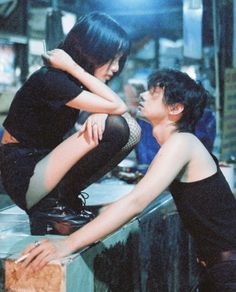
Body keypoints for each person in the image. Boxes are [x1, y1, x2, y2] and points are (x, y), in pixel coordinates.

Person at [20, 68, 236, 291]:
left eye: (153, 93)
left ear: (176, 108)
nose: (142, 95)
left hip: (228, 269)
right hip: (217, 267)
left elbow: (135, 202)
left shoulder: (182, 143)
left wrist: (66, 245)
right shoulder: (183, 143)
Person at [0, 12, 141, 235]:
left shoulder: (69, 83)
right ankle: (53, 205)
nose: (115, 68)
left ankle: (61, 201)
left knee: (125, 127)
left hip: (42, 166)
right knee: (120, 127)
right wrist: (76, 69)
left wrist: (100, 112)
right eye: (112, 58)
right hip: (24, 174)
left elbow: (114, 107)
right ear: (92, 50)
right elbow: (119, 106)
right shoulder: (52, 79)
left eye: (119, 60)